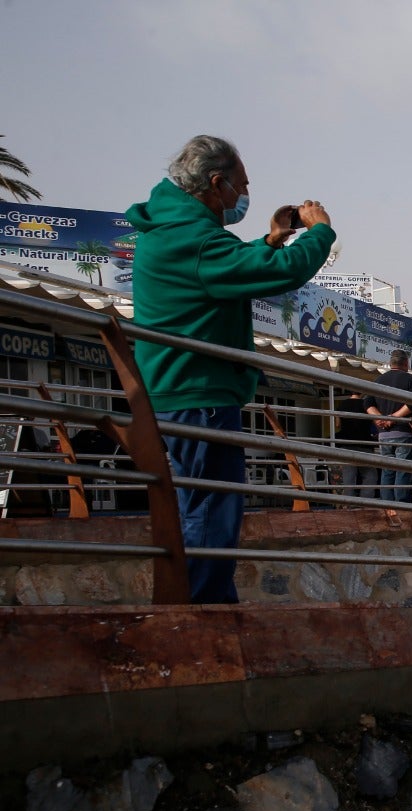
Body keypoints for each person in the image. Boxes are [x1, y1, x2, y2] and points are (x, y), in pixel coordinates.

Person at [127, 134, 335, 603]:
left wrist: (269, 241)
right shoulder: (195, 241)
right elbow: (276, 273)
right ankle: (203, 619)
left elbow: (227, 271)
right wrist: (321, 231)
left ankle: (203, 607)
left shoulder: (172, 231)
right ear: (216, 183)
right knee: (209, 512)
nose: (244, 195)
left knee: (199, 508)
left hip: (180, 392)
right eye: (240, 186)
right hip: (198, 397)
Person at [366, 350, 412, 504]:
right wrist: (394, 417)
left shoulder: (378, 380)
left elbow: (367, 403)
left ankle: (387, 504)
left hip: (384, 434)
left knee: (387, 470)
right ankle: (402, 504)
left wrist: (380, 418)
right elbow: (411, 405)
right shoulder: (410, 380)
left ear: (391, 363)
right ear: (406, 363)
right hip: (405, 432)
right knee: (403, 470)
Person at [332, 390, 379, 499]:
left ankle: (350, 502)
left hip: (346, 443)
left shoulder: (342, 405)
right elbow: (375, 423)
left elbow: (338, 424)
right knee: (370, 475)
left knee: (349, 475)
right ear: (361, 392)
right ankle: (366, 500)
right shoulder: (366, 405)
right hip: (364, 442)